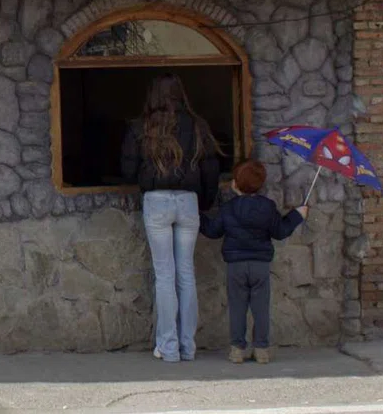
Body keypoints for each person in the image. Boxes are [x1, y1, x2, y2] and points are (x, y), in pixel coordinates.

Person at [121, 74, 223, 363]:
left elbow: (128, 171)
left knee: (164, 276)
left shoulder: (140, 127)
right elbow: (211, 169)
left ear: (152, 96)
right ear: (181, 94)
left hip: (156, 201)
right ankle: (188, 347)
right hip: (188, 201)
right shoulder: (198, 125)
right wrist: (203, 201)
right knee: (186, 274)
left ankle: (168, 347)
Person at [200, 160, 308, 364]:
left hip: (235, 265)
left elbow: (213, 231)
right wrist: (296, 215)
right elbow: (280, 231)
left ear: (235, 184)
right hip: (260, 264)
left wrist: (197, 216)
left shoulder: (229, 208)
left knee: (237, 307)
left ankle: (237, 350)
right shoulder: (267, 207)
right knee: (261, 308)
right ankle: (261, 349)